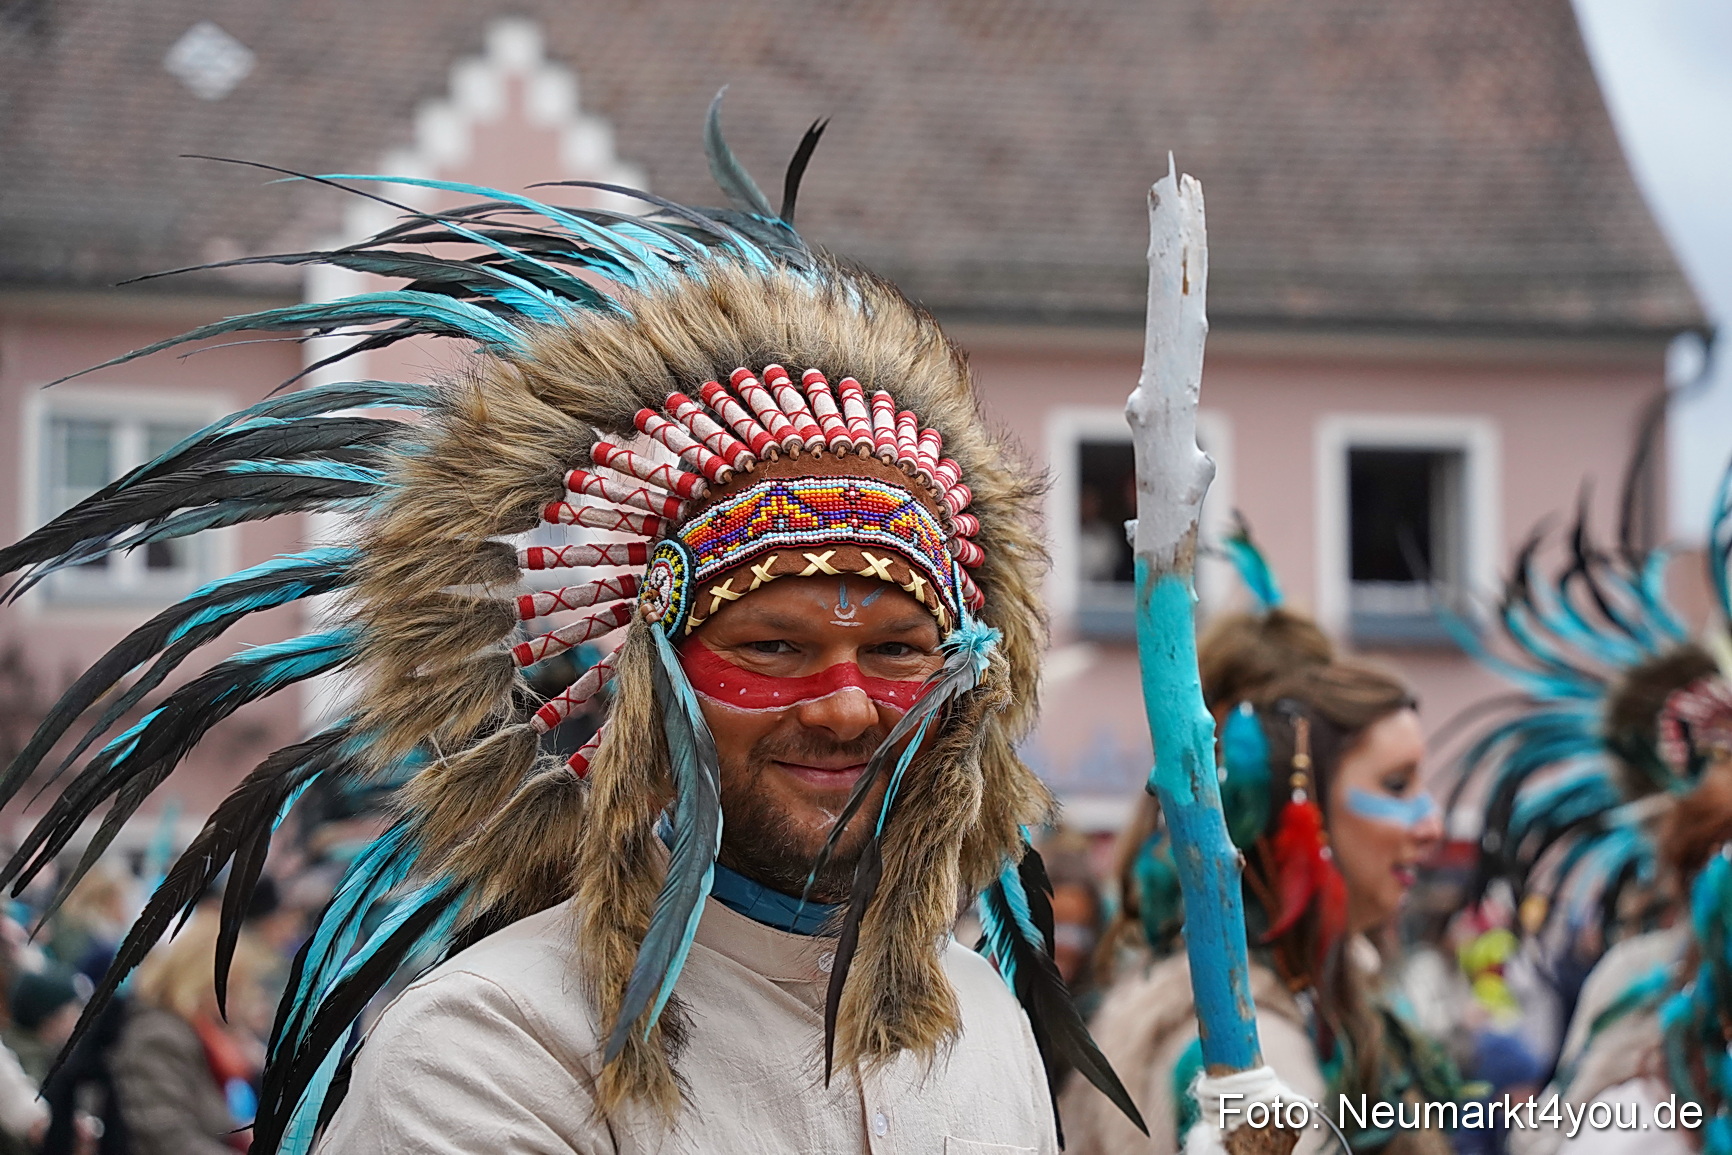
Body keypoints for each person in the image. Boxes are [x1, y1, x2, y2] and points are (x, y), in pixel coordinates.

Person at [0, 101, 1142, 1153]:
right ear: (638, 685)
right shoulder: (492, 1055)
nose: (847, 705)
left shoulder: (981, 1019)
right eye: (771, 647)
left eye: (898, 651)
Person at [1063, 652, 1458, 1155]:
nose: (1432, 825)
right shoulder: (1253, 1058)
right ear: (1304, 808)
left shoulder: (1328, 1002)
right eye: (1397, 785)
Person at [110, 908, 271, 1155]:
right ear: (204, 985)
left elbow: (211, 1120)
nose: (243, 1001)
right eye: (237, 989)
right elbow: (168, 1140)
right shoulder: (159, 1037)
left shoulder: (199, 1035)